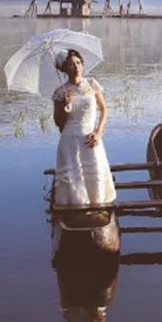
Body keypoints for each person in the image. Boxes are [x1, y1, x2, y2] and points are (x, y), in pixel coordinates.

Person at [52, 49, 116, 207]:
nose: (76, 66)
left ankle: (98, 209)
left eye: (78, 63)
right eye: (71, 64)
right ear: (64, 68)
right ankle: (75, 209)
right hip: (69, 141)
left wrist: (98, 132)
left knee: (95, 177)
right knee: (74, 180)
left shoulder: (92, 84)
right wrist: (64, 105)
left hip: (90, 137)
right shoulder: (60, 92)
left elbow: (104, 110)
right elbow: (59, 123)